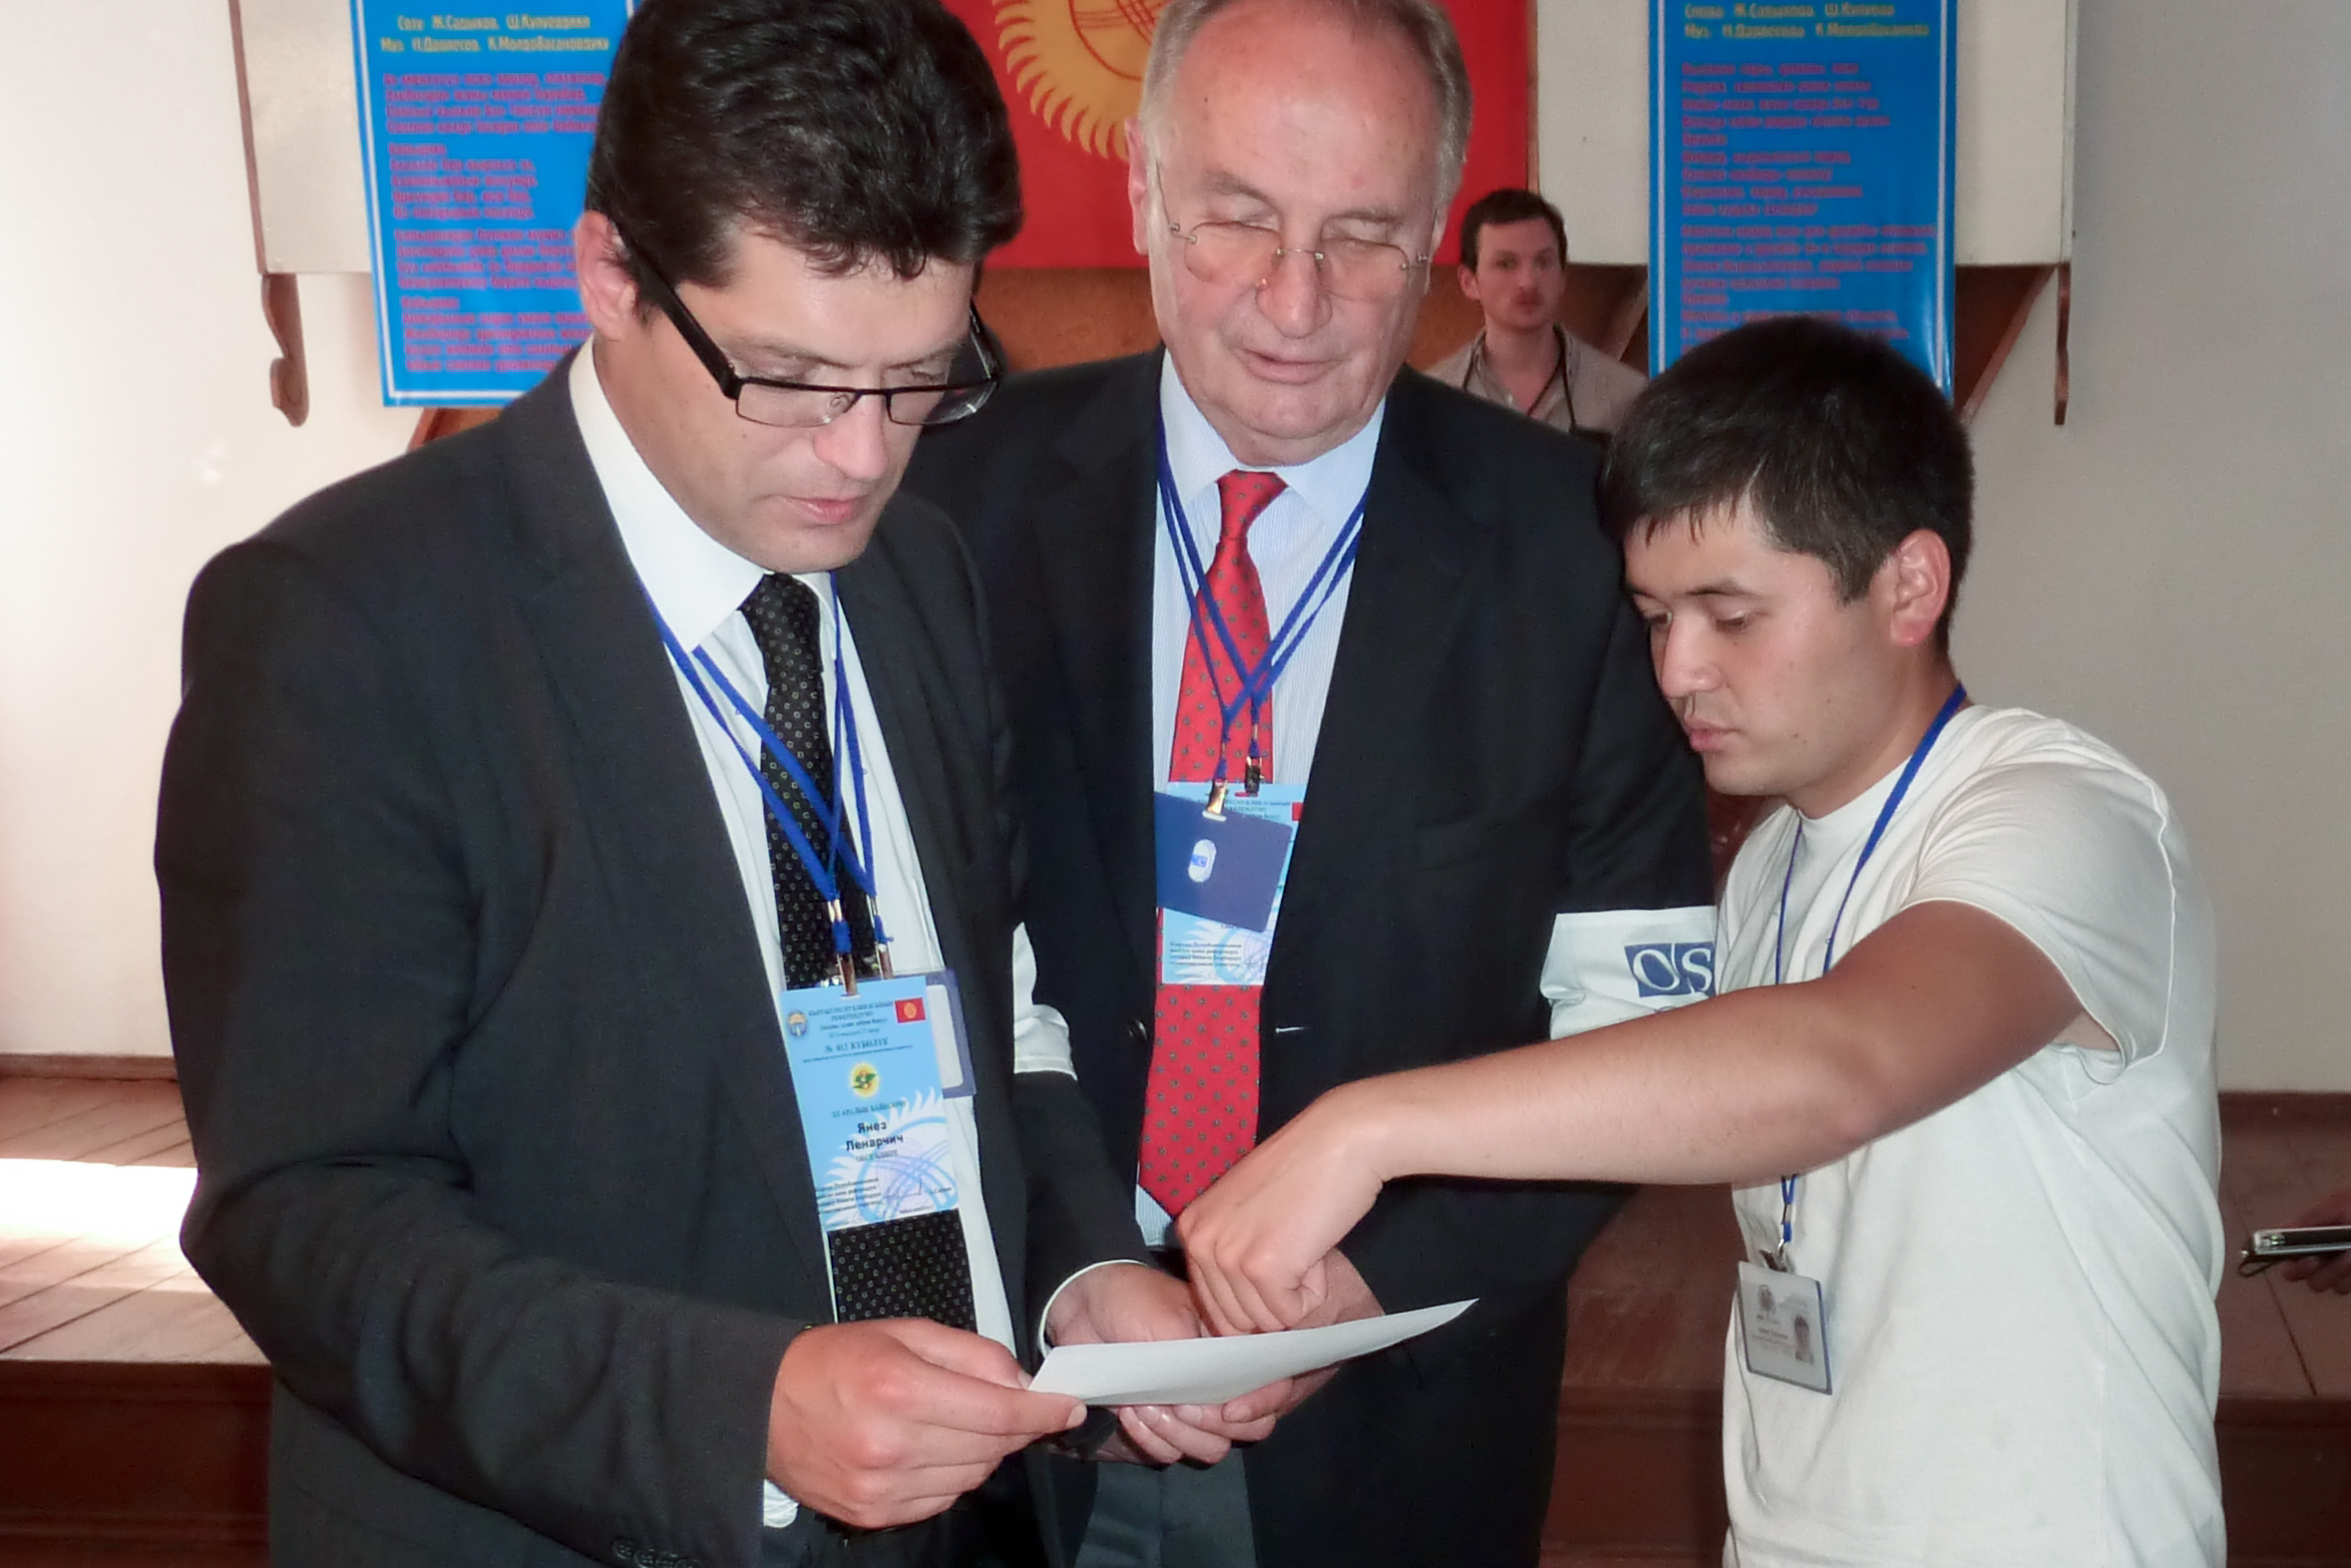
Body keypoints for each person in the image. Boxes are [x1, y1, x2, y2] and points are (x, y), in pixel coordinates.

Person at [156, 3, 1272, 1565]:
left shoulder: (919, 576)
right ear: (612, 274)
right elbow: (308, 1208)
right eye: (791, 379)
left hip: (962, 1511)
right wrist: (739, 1411)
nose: (861, 457)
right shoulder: (350, 624)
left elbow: (991, 1004)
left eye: (919, 380)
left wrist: (1080, 1273)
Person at [1181, 316, 2228, 1567]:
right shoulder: (1772, 859)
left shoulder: (2064, 814)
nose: (1677, 670)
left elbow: (1840, 1065)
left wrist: (1362, 1129)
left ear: (1908, 585)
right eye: (1653, 617)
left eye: (1729, 617)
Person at [900, 2, 1713, 1564]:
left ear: (1437, 237)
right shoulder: (947, 505)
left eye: (1359, 235)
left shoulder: (1582, 553)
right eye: (1238, 219)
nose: (1295, 300)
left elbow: (1636, 1036)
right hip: (1015, 1415)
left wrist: (1365, 1285)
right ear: (1144, 194)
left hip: (1398, 1433)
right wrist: (1077, 1262)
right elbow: (916, 949)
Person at [1423, 188, 1646, 437]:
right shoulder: (1433, 399)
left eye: (1543, 262)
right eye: (1506, 264)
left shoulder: (1626, 397)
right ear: (1469, 281)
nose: (1528, 282)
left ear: (1562, 275)